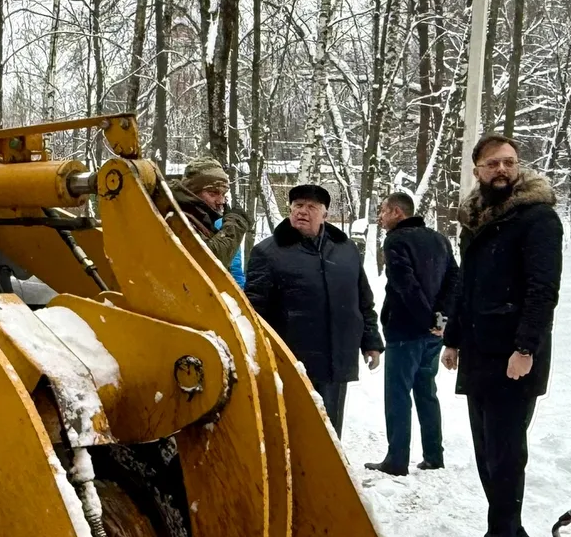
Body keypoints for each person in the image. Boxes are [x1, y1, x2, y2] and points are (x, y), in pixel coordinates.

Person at [443, 134, 563, 537]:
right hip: (479, 350)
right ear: (477, 169)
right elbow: (467, 285)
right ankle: (503, 530)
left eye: (509, 162)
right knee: (486, 450)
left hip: (514, 357)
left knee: (506, 452)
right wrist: (453, 338)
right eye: (492, 163)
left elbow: (542, 290)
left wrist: (525, 347)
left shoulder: (537, 219)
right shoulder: (477, 217)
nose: (502, 170)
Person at [245, 183, 383, 432]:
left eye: (311, 207)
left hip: (336, 358)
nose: (303, 211)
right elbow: (254, 310)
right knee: (294, 432)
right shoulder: (267, 252)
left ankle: (330, 472)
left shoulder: (346, 250)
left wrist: (371, 342)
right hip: (292, 361)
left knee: (330, 430)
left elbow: (363, 300)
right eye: (298, 205)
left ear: (325, 214)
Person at [367, 191, 458, 476]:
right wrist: (440, 318)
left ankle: (396, 460)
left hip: (406, 330)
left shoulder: (395, 240)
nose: (380, 218)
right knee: (426, 391)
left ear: (397, 212)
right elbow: (454, 279)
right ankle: (434, 455)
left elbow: (405, 284)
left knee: (398, 394)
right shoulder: (440, 239)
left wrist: (426, 318)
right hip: (434, 334)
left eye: (383, 211)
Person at [173, 158, 253, 286]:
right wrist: (235, 225)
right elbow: (209, 262)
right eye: (213, 193)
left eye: (223, 194)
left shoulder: (202, 219)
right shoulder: (176, 218)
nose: (220, 200)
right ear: (192, 191)